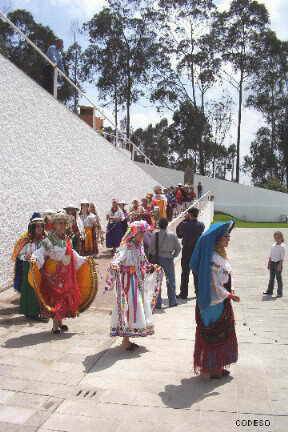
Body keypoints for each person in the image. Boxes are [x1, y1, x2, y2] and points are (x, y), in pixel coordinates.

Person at [191, 221, 240, 379]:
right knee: (216, 334)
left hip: (215, 301)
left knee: (211, 334)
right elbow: (214, 284)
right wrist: (229, 295)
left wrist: (229, 290)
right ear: (218, 239)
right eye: (226, 236)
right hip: (214, 303)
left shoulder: (216, 256)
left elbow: (222, 280)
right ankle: (213, 369)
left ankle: (211, 367)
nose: (228, 239)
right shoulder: (214, 259)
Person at [105, 221, 163, 350]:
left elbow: (143, 262)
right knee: (129, 307)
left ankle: (127, 339)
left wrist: (150, 267)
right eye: (141, 233)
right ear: (134, 233)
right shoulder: (127, 247)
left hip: (136, 282)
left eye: (144, 233)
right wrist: (115, 264)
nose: (143, 235)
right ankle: (125, 340)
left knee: (134, 308)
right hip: (128, 283)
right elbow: (117, 258)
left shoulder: (139, 247)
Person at [30, 212, 88, 334]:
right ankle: (55, 325)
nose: (62, 225)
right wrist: (35, 257)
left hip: (66, 273)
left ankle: (60, 322)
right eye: (59, 223)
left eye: (63, 223)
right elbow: (40, 252)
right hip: (53, 273)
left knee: (64, 297)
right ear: (54, 225)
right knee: (56, 297)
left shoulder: (67, 239)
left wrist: (84, 260)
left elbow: (71, 253)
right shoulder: (48, 240)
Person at [12, 215, 47, 321]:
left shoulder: (45, 240)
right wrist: (25, 257)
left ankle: (38, 312)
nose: (40, 229)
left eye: (41, 227)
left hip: (40, 267)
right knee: (30, 290)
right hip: (29, 267)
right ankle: (30, 312)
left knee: (39, 289)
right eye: (37, 227)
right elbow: (20, 255)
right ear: (32, 228)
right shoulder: (27, 241)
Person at [149, 218, 181, 308]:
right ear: (167, 224)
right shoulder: (172, 235)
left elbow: (151, 249)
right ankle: (172, 301)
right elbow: (178, 248)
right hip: (168, 258)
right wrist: (173, 256)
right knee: (171, 280)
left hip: (158, 259)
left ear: (159, 225)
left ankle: (157, 303)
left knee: (157, 280)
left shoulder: (155, 234)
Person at [176, 207, 205, 299]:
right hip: (196, 251)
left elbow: (179, 234)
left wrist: (184, 219)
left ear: (189, 214)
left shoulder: (184, 224)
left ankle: (183, 293)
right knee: (196, 273)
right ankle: (198, 292)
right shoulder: (201, 225)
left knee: (185, 273)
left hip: (186, 251)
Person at [263, 231, 286, 298]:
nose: (276, 239)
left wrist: (280, 265)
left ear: (281, 237)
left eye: (278, 237)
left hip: (278, 263)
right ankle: (269, 291)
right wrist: (269, 263)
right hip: (272, 263)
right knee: (271, 278)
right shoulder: (273, 245)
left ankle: (279, 293)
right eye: (275, 237)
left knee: (278, 278)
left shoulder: (282, 246)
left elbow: (282, 257)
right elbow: (271, 255)